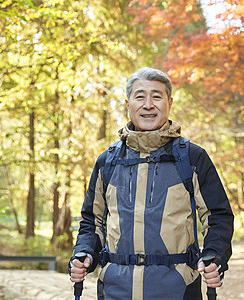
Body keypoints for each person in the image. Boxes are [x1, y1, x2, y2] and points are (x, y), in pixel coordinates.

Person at [69, 67, 234, 299]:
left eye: (156, 96)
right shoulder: (107, 161)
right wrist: (85, 252)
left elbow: (218, 216)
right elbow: (91, 220)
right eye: (140, 96)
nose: (148, 104)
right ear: (128, 103)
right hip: (115, 290)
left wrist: (214, 256)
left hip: (177, 290)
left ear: (170, 102)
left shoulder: (192, 158)